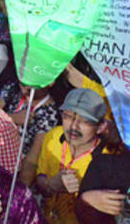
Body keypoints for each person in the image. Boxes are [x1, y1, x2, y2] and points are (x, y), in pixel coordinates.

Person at [35, 88, 108, 224]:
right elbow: (40, 176)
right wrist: (50, 185)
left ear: (101, 127)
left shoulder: (108, 160)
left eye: (84, 121)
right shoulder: (54, 136)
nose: (74, 127)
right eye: (68, 116)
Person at [0, 81, 59, 185]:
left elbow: (32, 160)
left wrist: (19, 190)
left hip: (14, 169)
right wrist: (12, 118)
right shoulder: (12, 88)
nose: (25, 83)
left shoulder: (49, 114)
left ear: (50, 82)